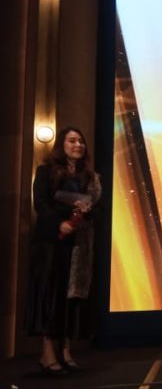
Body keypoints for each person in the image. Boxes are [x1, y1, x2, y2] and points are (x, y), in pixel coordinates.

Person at [24, 126, 101, 375]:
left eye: (81, 141)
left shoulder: (88, 177)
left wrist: (87, 211)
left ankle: (65, 352)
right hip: (51, 243)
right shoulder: (46, 171)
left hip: (77, 246)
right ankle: (47, 355)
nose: (78, 145)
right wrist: (61, 223)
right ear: (61, 145)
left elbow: (97, 209)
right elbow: (41, 204)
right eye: (72, 141)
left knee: (69, 299)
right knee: (50, 295)